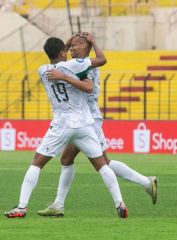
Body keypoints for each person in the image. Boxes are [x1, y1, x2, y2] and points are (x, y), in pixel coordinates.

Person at [4, 37, 128, 218]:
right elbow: (101, 60)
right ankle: (120, 203)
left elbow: (60, 59)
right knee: (102, 164)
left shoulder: (42, 70)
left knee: (37, 162)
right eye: (67, 48)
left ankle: (22, 207)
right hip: (84, 123)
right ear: (63, 52)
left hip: (61, 124)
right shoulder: (75, 66)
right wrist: (91, 41)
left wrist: (64, 48)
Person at [36, 33, 157, 217]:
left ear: (85, 46)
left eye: (75, 46)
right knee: (72, 160)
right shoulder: (76, 64)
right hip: (82, 119)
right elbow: (64, 58)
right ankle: (58, 205)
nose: (71, 49)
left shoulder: (87, 66)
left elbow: (89, 86)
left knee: (99, 163)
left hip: (88, 119)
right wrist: (66, 44)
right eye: (69, 47)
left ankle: (141, 187)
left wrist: (93, 42)